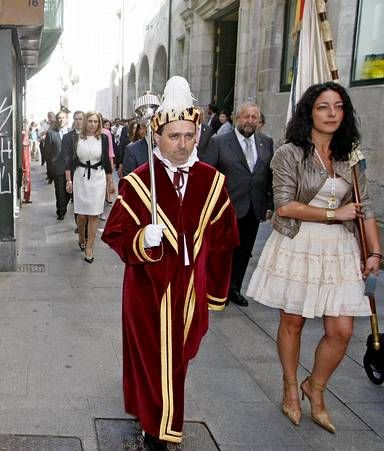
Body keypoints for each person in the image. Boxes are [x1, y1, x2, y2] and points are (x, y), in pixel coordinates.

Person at [102, 76, 239, 450]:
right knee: (154, 358)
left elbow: (226, 241)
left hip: (190, 289)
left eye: (188, 136)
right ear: (156, 137)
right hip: (147, 288)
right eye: (173, 136)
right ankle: (159, 430)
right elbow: (115, 233)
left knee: (176, 359)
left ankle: (151, 413)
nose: (181, 144)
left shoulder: (211, 181)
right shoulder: (139, 181)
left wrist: (215, 292)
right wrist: (139, 240)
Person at [246, 82, 381, 433]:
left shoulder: (351, 154)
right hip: (299, 242)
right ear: (310, 112)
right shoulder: (290, 153)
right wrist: (336, 215)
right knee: (294, 321)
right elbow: (285, 205)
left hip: (340, 249)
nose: (332, 113)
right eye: (323, 107)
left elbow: (365, 209)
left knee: (341, 329)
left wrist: (375, 252)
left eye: (338, 106)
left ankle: (315, 388)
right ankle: (291, 387)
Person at [201, 102, 274, 307]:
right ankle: (217, 290)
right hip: (226, 209)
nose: (250, 121)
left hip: (253, 208)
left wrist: (269, 203)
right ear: (236, 118)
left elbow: (268, 176)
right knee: (223, 252)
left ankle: (235, 288)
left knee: (244, 252)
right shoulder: (219, 142)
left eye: (254, 117)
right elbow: (207, 174)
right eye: (246, 117)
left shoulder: (266, 142)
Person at [66, 112, 115, 263]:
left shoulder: (104, 138)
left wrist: (110, 181)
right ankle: (81, 235)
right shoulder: (76, 138)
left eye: (96, 121)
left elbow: (106, 161)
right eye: (90, 121)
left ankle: (89, 247)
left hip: (98, 178)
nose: (93, 124)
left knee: (94, 214)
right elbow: (69, 161)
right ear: (85, 122)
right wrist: (68, 181)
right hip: (80, 177)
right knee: (81, 215)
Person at [44, 111, 71, 220]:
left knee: (69, 191)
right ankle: (61, 211)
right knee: (59, 190)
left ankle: (64, 203)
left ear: (67, 119)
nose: (61, 120)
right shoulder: (51, 133)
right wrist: (50, 168)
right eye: (59, 118)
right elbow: (47, 152)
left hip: (70, 166)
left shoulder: (72, 132)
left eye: (63, 118)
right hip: (57, 167)